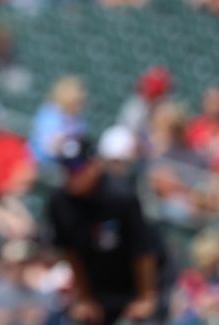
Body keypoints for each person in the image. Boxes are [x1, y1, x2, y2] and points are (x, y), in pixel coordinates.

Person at [44, 137, 170, 325]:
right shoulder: (60, 202)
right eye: (67, 168)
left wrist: (145, 297)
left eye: (78, 167)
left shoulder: (120, 197)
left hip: (144, 279)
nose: (72, 174)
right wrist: (84, 297)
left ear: (94, 165)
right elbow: (71, 252)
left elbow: (142, 251)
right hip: (100, 283)